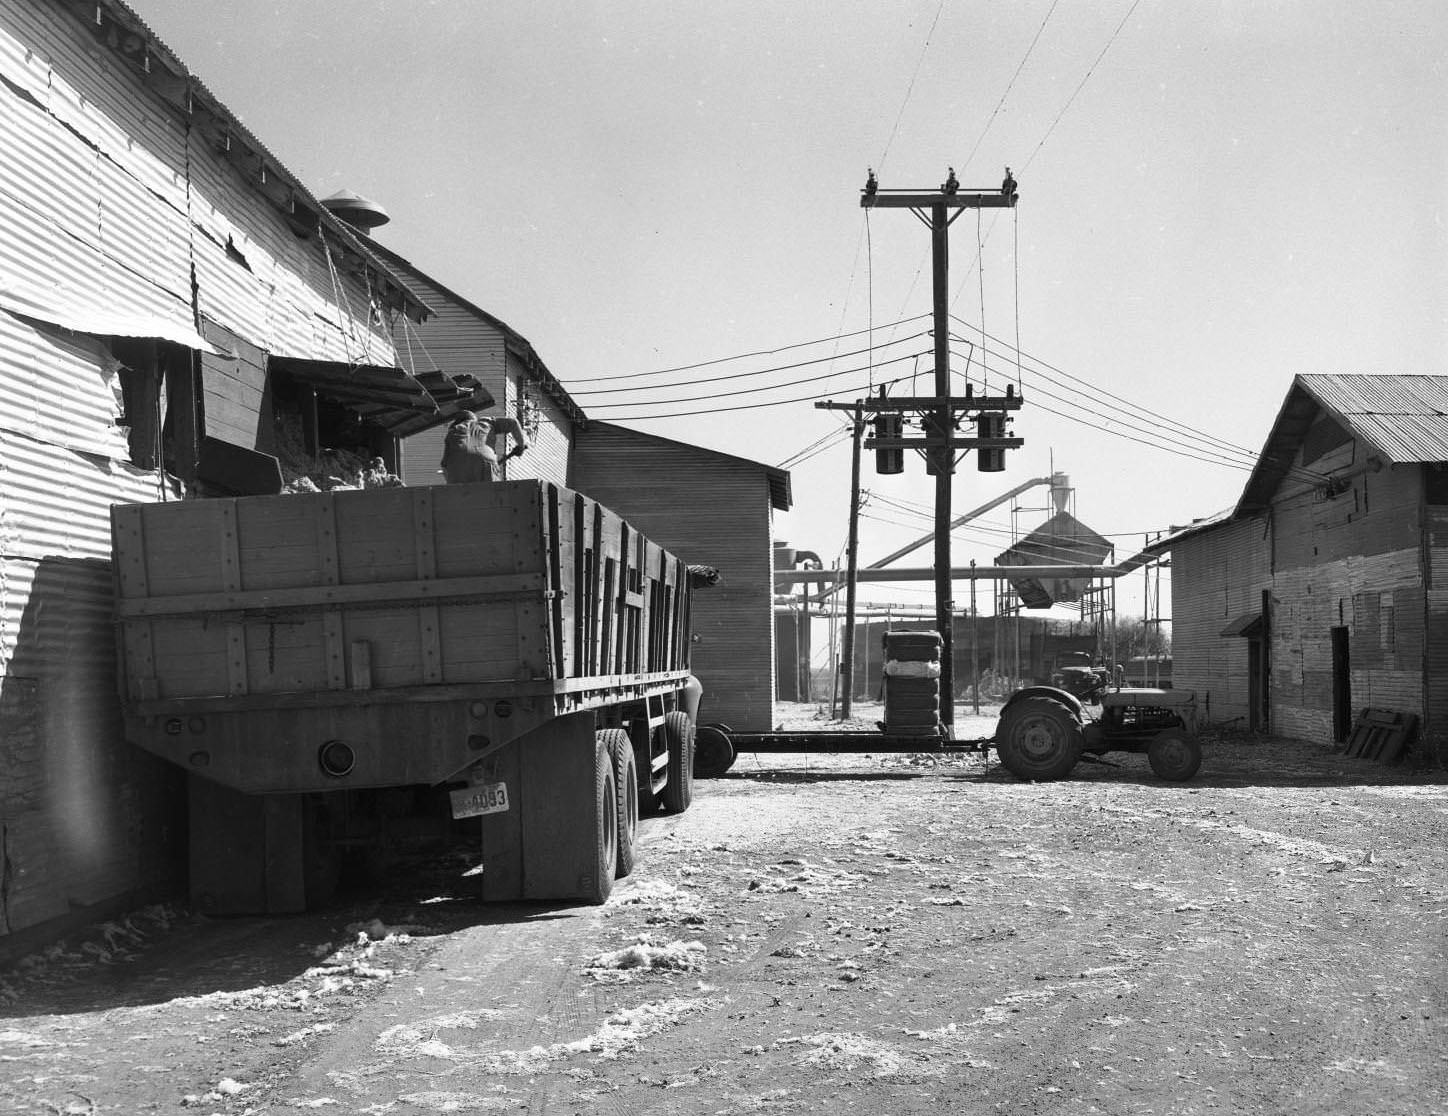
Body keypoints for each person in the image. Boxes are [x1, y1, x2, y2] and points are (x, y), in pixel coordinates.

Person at [439, 409, 529, 484]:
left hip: (457, 466)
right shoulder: (485, 422)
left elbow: (444, 464)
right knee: (492, 496)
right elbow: (513, 422)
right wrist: (521, 445)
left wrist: (451, 483)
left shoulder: (453, 430)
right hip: (485, 462)